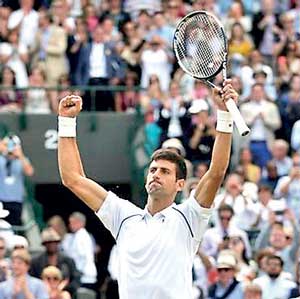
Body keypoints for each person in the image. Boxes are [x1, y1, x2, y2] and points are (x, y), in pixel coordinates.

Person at [57, 80, 238, 298]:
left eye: (165, 171)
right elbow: (72, 179)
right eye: (153, 170)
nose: (156, 175)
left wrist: (224, 114)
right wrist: (66, 122)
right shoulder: (122, 215)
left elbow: (216, 172)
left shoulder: (189, 217)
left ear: (180, 184)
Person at [0, 134, 34, 226]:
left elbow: (30, 172)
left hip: (16, 201)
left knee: (14, 226)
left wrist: (20, 155)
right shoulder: (1, 160)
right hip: (1, 200)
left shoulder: (22, 160)